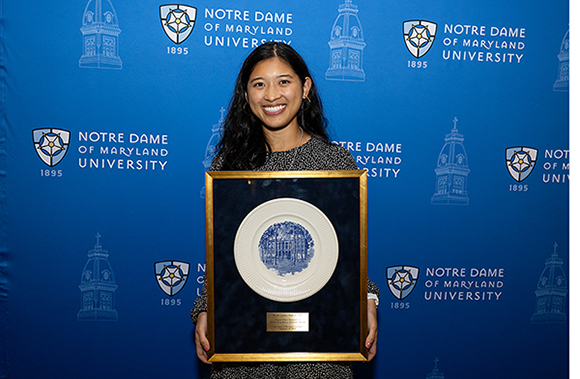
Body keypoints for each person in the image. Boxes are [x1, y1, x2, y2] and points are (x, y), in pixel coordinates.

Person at [190, 41, 379, 379]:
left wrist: (367, 299)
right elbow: (222, 256)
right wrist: (206, 308)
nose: (271, 94)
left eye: (284, 81)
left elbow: (349, 251)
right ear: (246, 96)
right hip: (243, 345)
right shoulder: (228, 167)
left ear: (305, 88)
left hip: (320, 347)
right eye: (259, 84)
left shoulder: (335, 163)